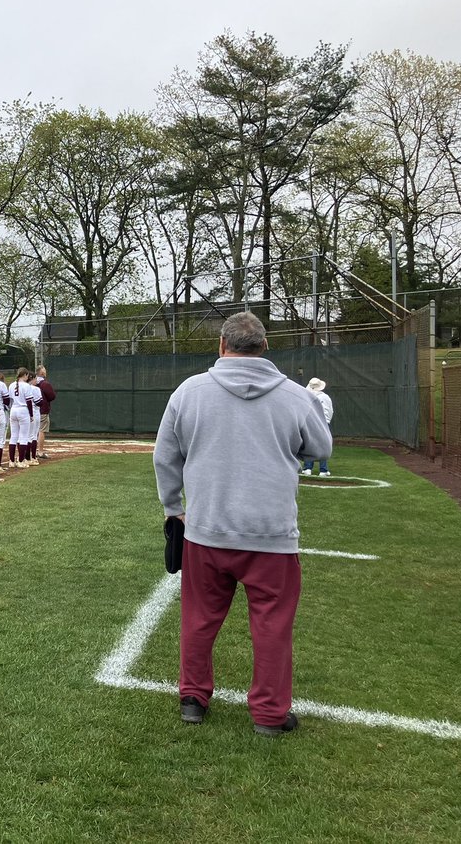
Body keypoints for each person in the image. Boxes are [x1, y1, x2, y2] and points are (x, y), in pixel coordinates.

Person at [153, 311, 332, 737]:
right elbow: (321, 447)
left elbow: (165, 455)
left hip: (207, 530)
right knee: (272, 625)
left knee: (199, 618)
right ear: (265, 347)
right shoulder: (294, 396)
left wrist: (173, 506)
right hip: (272, 535)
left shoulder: (189, 391)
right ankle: (270, 715)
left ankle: (193, 698)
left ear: (221, 345)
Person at [301, 378, 334, 477]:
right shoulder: (326, 397)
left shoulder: (308, 396)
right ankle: (323, 470)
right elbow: (330, 411)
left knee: (309, 444)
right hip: (324, 422)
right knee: (323, 445)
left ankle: (307, 468)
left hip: (311, 423)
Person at [35, 366, 57, 459]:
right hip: (42, 410)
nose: (45, 372)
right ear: (42, 373)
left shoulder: (32, 383)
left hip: (32, 410)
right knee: (42, 430)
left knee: (32, 431)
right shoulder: (44, 384)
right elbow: (52, 396)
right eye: (44, 370)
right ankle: (40, 451)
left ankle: (31, 451)